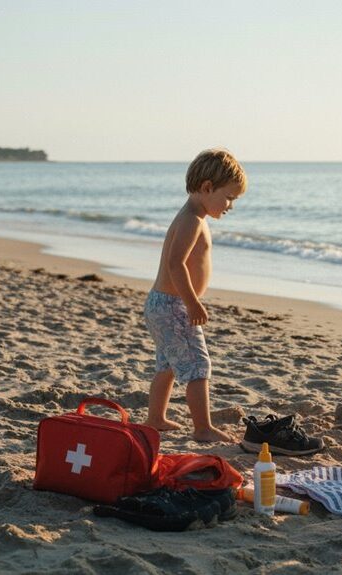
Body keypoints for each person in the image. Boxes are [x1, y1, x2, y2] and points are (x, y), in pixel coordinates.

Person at [142, 148, 246, 442]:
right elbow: (176, 263)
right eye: (229, 197)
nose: (230, 205)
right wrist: (191, 301)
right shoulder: (192, 220)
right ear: (207, 188)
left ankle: (155, 418)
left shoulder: (192, 216)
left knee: (168, 365)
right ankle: (202, 428)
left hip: (161, 303)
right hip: (174, 305)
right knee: (199, 366)